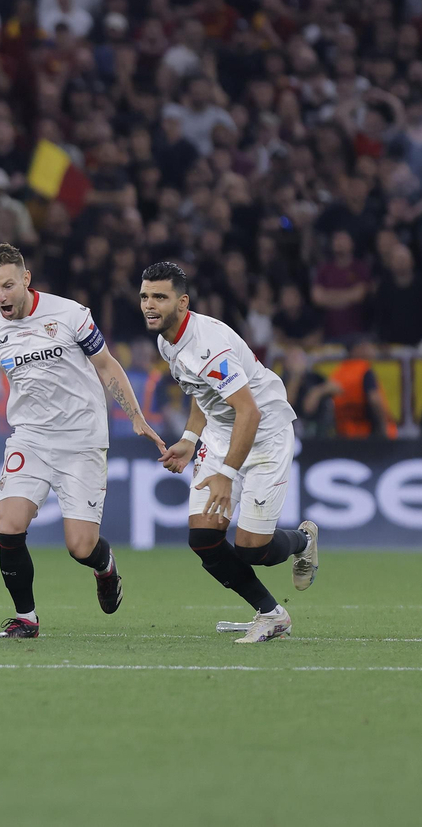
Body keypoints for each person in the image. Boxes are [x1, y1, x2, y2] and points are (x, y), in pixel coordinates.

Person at [0, 243, 164, 638]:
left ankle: (104, 565)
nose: (0, 297)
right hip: (30, 439)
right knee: (9, 525)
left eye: (7, 286)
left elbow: (105, 364)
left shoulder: (70, 314)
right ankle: (26, 618)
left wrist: (134, 415)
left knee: (81, 546)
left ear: (25, 279)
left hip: (82, 441)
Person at [139, 262, 320, 643]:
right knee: (203, 538)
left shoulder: (207, 344)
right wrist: (190, 437)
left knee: (253, 549)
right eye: (144, 296)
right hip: (224, 435)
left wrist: (227, 473)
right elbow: (200, 392)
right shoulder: (166, 339)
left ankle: (303, 541)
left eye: (160, 297)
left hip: (265, 434)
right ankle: (272, 614)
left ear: (182, 302)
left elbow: (249, 411)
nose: (149, 305)